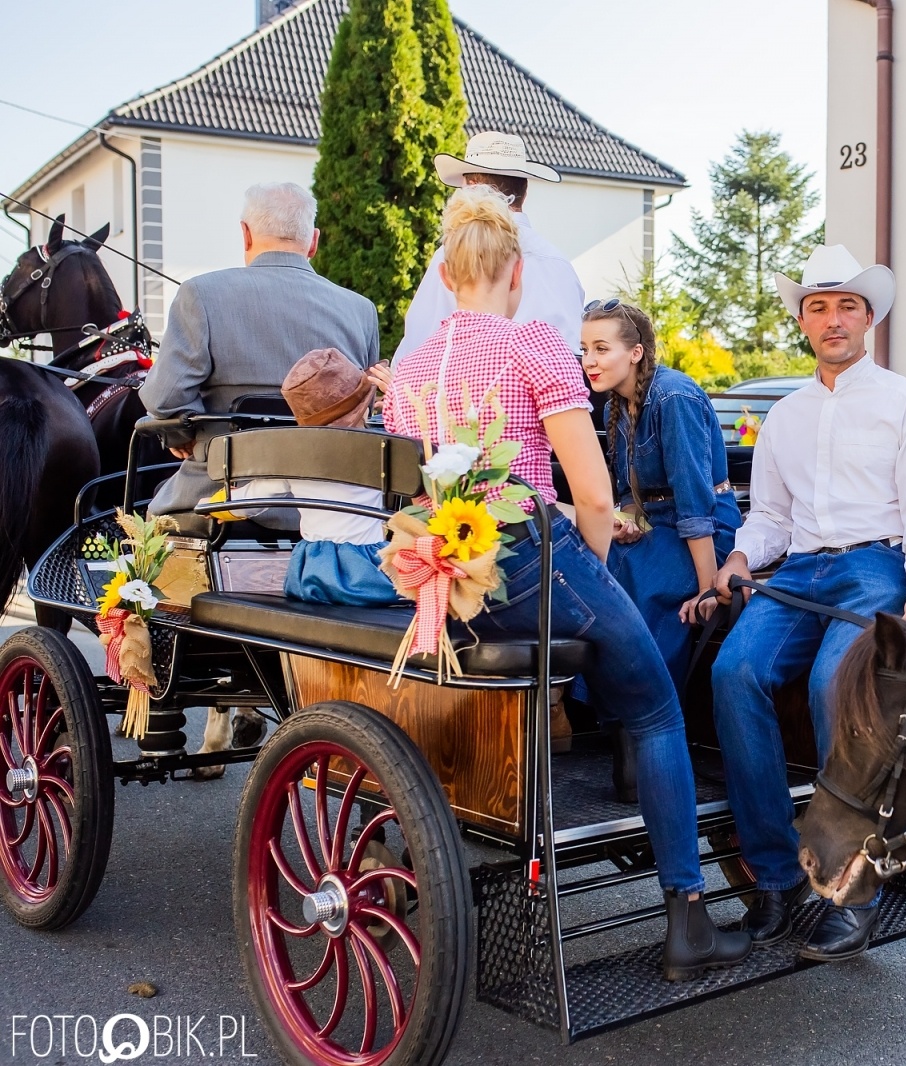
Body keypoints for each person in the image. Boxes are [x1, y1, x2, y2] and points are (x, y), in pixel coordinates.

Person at [383, 185, 749, 979]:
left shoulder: (409, 371)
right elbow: (589, 493)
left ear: (447, 277)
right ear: (515, 274)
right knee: (653, 708)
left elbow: (417, 495)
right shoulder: (535, 348)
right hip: (529, 558)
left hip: (451, 576)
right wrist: (597, 573)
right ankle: (687, 917)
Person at [706, 245, 906, 962]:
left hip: (876, 566)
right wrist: (735, 558)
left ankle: (856, 886)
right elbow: (770, 521)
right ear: (802, 321)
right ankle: (776, 878)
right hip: (796, 571)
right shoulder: (784, 417)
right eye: (817, 307)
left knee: (834, 683)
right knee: (733, 675)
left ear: (869, 316)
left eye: (845, 306)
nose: (831, 319)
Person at [141, 183, 379, 517]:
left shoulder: (202, 294)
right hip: (330, 502)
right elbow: (365, 408)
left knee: (145, 521)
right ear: (313, 242)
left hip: (219, 495)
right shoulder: (361, 310)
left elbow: (164, 398)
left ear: (246, 235)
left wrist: (181, 431)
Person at [579, 300, 741, 689]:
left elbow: (694, 504)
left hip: (707, 529)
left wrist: (707, 589)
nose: (588, 360)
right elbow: (629, 494)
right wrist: (629, 522)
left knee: (640, 577)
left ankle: (650, 705)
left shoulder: (673, 397)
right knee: (591, 566)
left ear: (635, 353)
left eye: (602, 349)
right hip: (659, 526)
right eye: (585, 349)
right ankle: (597, 707)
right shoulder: (613, 406)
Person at [212, 348, 401, 607]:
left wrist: (216, 505)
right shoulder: (382, 448)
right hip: (365, 571)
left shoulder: (295, 457)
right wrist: (399, 405)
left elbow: (250, 498)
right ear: (364, 408)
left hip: (311, 571)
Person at [392, 131, 585, 363]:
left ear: (472, 187)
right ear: (524, 191)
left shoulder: (455, 252)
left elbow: (417, 348)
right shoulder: (560, 265)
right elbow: (575, 355)